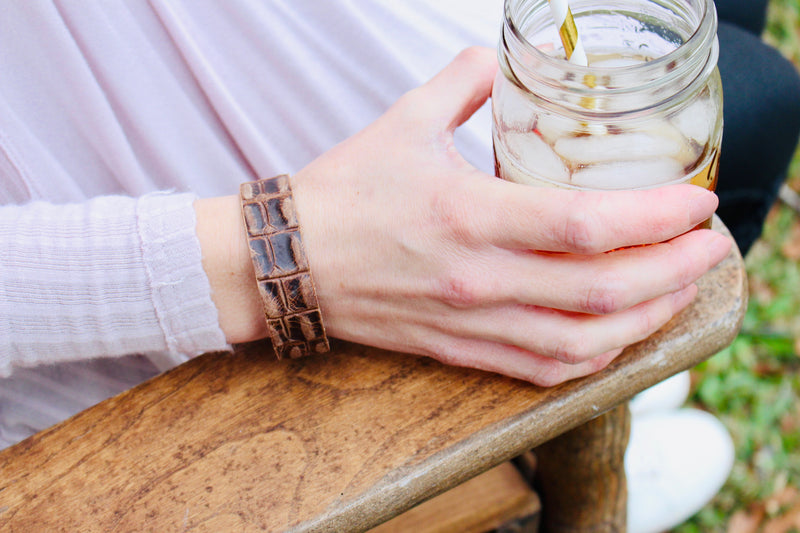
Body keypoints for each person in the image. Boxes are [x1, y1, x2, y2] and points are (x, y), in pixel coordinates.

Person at [0, 1, 797, 531]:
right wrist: (277, 251)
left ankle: (598, 398)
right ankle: (568, 440)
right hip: (129, 219)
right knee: (754, 101)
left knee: (714, 25)